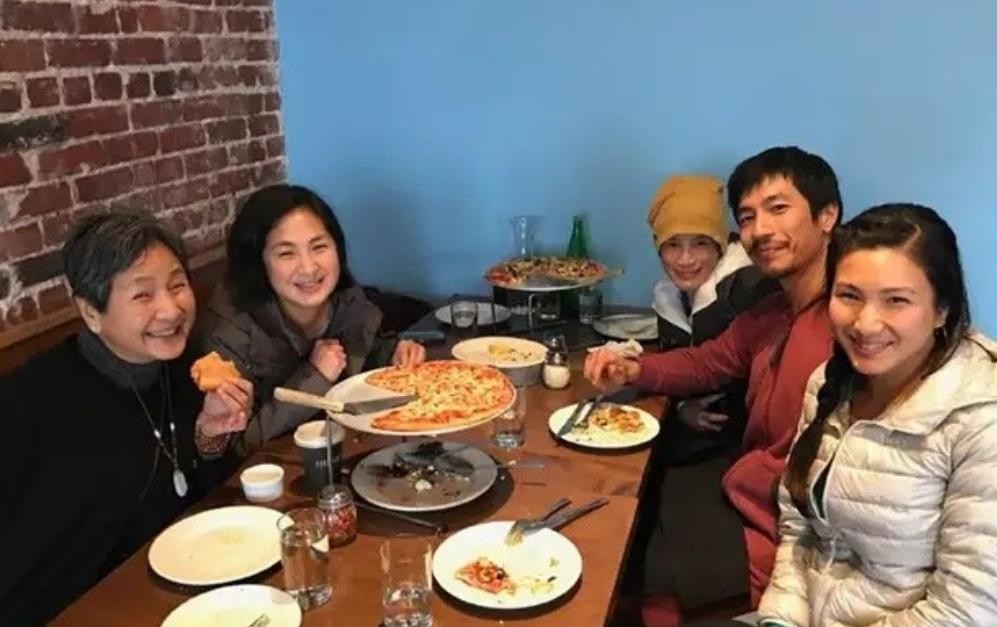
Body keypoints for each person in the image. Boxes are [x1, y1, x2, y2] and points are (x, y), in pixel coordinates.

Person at [587, 146, 840, 625]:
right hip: (748, 483)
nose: (761, 229)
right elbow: (707, 362)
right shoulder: (770, 312)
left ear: (828, 215)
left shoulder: (848, 321)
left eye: (778, 208)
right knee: (630, 523)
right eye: (748, 216)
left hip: (785, 521)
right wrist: (635, 370)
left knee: (639, 554)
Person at [0, 211, 253, 627]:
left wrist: (210, 433)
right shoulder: (31, 399)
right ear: (91, 312)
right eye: (142, 295)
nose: (170, 309)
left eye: (177, 285)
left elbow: (196, 491)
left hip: (171, 593)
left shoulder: (186, 367)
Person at [753, 204, 997, 627]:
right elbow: (798, 529)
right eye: (849, 296)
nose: (865, 325)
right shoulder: (830, 381)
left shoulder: (980, 418)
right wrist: (781, 617)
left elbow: (968, 610)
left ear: (942, 310)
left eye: (896, 300)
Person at [204, 184, 426, 454]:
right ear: (258, 262)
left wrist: (392, 353)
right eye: (286, 253)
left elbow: (363, 350)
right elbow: (238, 445)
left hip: (345, 451)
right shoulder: (230, 332)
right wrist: (316, 376)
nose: (309, 267)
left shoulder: (345, 299)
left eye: (319, 247)